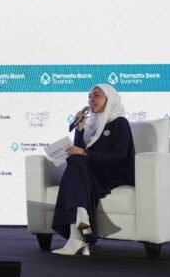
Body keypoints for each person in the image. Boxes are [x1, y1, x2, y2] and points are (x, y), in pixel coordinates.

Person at [51, 83, 135, 256]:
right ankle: (81, 224)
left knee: (76, 166)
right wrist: (80, 130)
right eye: (89, 96)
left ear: (110, 99)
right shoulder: (93, 124)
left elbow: (121, 156)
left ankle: (78, 235)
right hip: (93, 172)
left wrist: (84, 153)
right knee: (75, 163)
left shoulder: (120, 123)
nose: (91, 100)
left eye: (96, 95)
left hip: (113, 173)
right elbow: (80, 152)